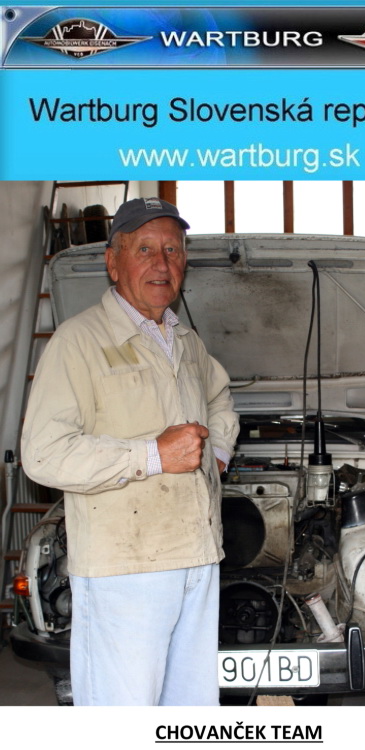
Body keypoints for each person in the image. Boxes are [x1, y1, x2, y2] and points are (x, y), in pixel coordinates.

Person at [21, 197, 240, 706]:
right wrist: (152, 455)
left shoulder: (185, 340)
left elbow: (219, 399)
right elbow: (43, 454)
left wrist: (217, 453)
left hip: (197, 557)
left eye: (173, 250)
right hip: (124, 567)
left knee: (191, 713)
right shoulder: (77, 342)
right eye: (144, 249)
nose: (162, 263)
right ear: (113, 262)